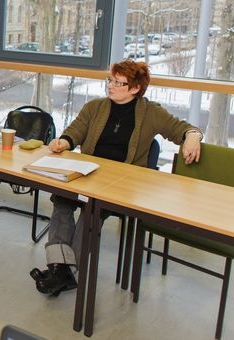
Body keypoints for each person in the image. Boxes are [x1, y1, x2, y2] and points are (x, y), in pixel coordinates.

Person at [31, 59, 203, 296]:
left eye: (118, 83)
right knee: (62, 201)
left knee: (91, 212)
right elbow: (76, 131)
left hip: (121, 183)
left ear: (135, 88)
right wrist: (64, 142)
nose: (111, 86)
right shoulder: (95, 107)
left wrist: (193, 135)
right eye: (110, 80)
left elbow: (181, 128)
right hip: (87, 173)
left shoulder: (151, 112)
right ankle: (63, 271)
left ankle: (61, 270)